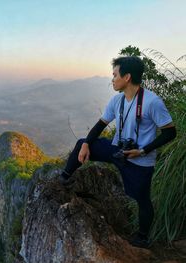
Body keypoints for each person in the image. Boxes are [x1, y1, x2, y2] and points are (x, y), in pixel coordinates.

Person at [58, 56, 177, 248]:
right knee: (82, 143)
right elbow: (100, 125)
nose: (112, 79)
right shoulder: (118, 100)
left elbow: (170, 132)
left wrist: (142, 150)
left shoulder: (152, 102)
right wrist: (87, 144)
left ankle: (142, 238)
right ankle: (63, 178)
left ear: (127, 77)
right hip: (118, 151)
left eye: (115, 75)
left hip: (139, 160)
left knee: (142, 200)